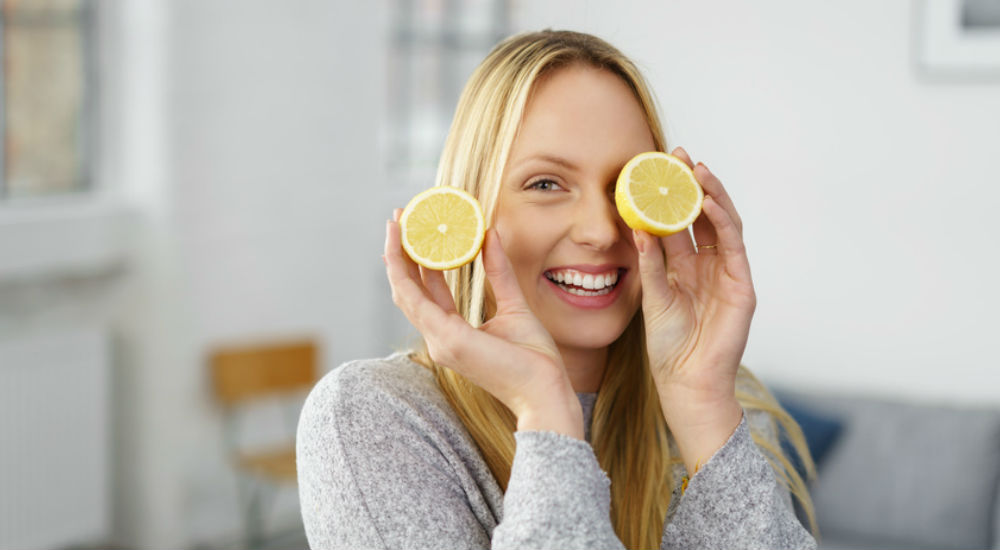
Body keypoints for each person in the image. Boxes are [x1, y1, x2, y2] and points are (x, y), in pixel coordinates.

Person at [297, 29, 818, 550]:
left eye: (623, 187)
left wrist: (703, 408)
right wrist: (545, 410)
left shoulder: (730, 407)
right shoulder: (374, 417)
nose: (601, 229)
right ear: (472, 206)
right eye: (546, 184)